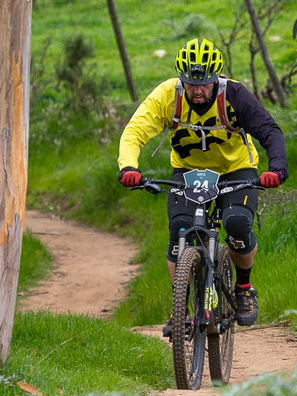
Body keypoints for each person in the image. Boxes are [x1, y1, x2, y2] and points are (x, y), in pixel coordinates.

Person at [117, 38, 288, 332]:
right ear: (181, 79)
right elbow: (135, 131)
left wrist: (276, 168)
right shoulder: (167, 96)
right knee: (180, 228)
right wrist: (129, 166)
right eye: (190, 83)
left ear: (216, 78)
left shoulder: (234, 94)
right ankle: (180, 309)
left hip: (236, 170)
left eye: (205, 84)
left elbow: (269, 131)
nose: (197, 91)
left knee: (236, 223)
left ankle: (244, 288)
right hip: (189, 171)